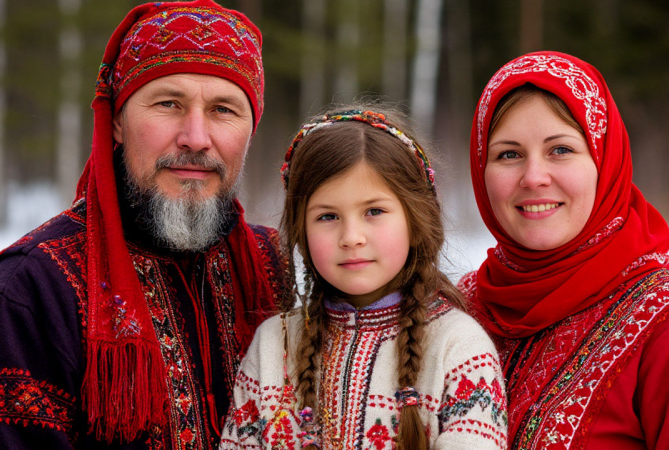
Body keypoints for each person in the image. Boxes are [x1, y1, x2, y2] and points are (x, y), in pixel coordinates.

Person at [0, 1, 291, 448]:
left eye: (224, 109)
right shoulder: (33, 291)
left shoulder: (273, 267)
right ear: (119, 123)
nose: (197, 138)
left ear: (250, 130)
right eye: (168, 104)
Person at [459, 51, 669, 449]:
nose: (533, 177)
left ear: (605, 160)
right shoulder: (453, 310)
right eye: (508, 154)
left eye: (560, 149)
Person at [218, 107, 508, 449]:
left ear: (416, 221)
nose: (351, 237)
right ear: (301, 233)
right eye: (327, 216)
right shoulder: (271, 348)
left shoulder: (459, 348)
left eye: (374, 211)